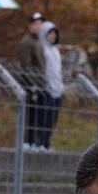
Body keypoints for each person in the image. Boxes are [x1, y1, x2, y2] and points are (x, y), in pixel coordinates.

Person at [18, 12, 46, 150]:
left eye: (40, 24)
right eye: (35, 24)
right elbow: (26, 65)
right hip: (31, 85)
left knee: (37, 114)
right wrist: (32, 83)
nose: (38, 26)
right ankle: (26, 141)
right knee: (29, 114)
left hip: (40, 84)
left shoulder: (39, 41)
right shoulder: (27, 42)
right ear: (30, 26)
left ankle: (34, 141)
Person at [39, 20, 64, 151]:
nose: (53, 35)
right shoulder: (43, 49)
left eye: (55, 33)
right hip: (47, 89)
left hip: (58, 89)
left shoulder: (55, 50)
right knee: (44, 118)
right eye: (50, 33)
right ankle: (41, 143)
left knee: (52, 120)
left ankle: (47, 142)